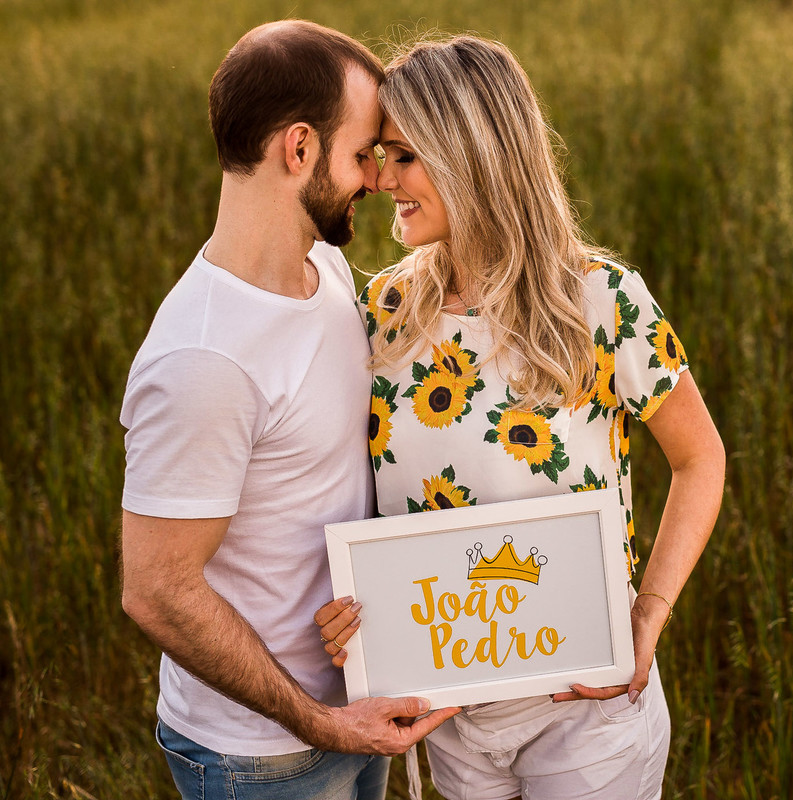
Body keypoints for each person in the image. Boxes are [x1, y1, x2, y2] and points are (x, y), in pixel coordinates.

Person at [313, 35, 725, 800]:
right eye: (379, 155)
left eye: (404, 156)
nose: (380, 179)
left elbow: (701, 459)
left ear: (471, 155)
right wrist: (351, 606)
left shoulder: (602, 300)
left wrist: (649, 614)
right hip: (448, 714)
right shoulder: (384, 309)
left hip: (586, 712)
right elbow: (361, 496)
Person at [119, 20, 457, 800]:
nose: (376, 179)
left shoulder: (327, 267)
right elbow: (156, 590)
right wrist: (321, 723)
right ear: (298, 149)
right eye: (363, 154)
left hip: (357, 702)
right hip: (261, 756)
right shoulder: (205, 359)